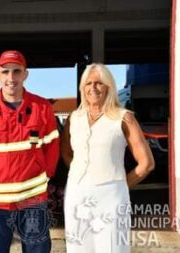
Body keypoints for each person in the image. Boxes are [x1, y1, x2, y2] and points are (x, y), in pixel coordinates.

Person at [0, 50, 60, 253]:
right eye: (5, 72)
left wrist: (44, 175)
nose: (11, 78)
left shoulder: (42, 107)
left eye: (17, 71)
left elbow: (52, 149)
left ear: (25, 74)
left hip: (33, 200)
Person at [60, 63, 155, 253]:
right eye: (88, 83)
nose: (93, 88)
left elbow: (146, 164)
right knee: (78, 248)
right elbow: (66, 152)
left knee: (112, 249)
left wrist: (119, 186)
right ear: (82, 87)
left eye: (99, 83)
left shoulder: (124, 118)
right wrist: (81, 173)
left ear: (109, 87)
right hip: (76, 196)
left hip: (112, 198)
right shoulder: (74, 118)